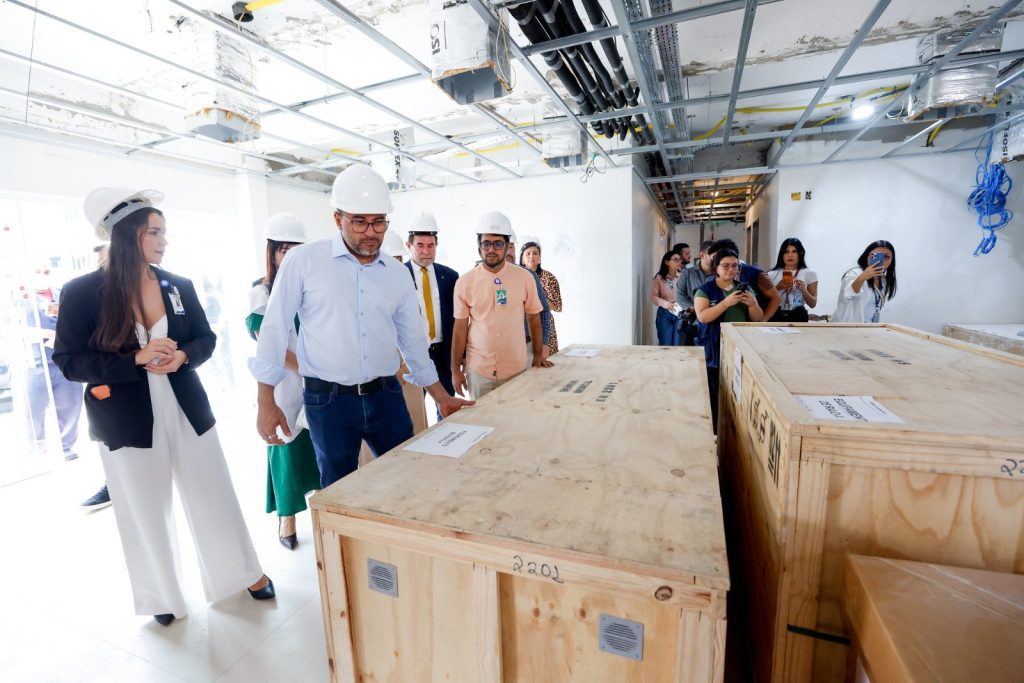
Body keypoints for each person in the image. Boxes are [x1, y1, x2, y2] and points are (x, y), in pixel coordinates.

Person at [54, 187, 274, 627]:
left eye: (164, 232)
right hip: (125, 418)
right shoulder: (82, 292)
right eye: (155, 232)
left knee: (213, 492)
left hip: (186, 407)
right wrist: (134, 359)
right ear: (127, 235)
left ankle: (243, 573)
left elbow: (206, 338)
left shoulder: (178, 284)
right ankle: (161, 593)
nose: (164, 241)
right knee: (143, 507)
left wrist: (184, 356)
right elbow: (69, 361)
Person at [251, 165, 472, 489]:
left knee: (405, 481)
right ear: (337, 218)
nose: (370, 232)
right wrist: (265, 400)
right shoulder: (305, 262)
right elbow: (273, 330)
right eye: (359, 222)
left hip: (386, 397)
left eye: (378, 222)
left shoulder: (395, 273)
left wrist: (441, 396)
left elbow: (412, 342)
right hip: (328, 402)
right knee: (340, 489)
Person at [246, 212, 321, 550]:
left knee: (320, 447)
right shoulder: (261, 292)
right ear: (272, 252)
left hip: (318, 381)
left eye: (296, 249)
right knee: (287, 449)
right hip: (285, 384)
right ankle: (287, 517)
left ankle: (322, 512)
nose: (290, 256)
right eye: (283, 249)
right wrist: (307, 366)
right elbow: (269, 342)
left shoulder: (313, 287)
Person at [451, 211, 551, 401]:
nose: (491, 249)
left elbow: (534, 317)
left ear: (507, 246)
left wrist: (538, 355)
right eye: (486, 243)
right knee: (481, 419)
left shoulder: (525, 278)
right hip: (479, 371)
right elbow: (460, 328)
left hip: (516, 369)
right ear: (479, 246)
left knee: (516, 418)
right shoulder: (465, 282)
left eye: (498, 244)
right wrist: (455, 369)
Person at [694, 248, 764, 429]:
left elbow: (758, 318)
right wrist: (725, 303)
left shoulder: (745, 288)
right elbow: (703, 317)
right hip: (714, 347)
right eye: (726, 266)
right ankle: (715, 431)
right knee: (715, 393)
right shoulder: (705, 290)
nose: (731, 269)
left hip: (741, 346)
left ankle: (734, 430)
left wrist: (752, 304)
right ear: (716, 267)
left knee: (738, 391)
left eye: (735, 265)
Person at [24, 267, 84, 461]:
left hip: (65, 362)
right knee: (33, 410)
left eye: (46, 271)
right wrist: (43, 334)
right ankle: (37, 450)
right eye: (37, 271)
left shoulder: (63, 294)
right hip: (35, 363)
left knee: (70, 406)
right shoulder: (19, 298)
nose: (42, 275)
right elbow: (11, 327)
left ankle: (66, 447)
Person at [404, 212, 460, 410]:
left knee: (447, 407)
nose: (426, 251)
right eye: (420, 245)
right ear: (409, 246)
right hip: (413, 355)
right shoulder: (399, 276)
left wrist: (458, 357)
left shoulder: (450, 276)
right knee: (414, 410)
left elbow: (457, 319)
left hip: (443, 355)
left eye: (431, 246)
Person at [505, 228, 552, 362]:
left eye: (511, 247)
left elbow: (544, 310)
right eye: (503, 246)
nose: (508, 252)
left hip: (526, 345)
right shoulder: (481, 277)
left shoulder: (528, 275)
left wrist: (544, 343)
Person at [707, 238, 781, 321]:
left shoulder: (755, 274)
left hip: (751, 323)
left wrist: (762, 321)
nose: (713, 262)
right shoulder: (715, 275)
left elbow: (776, 298)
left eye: (716, 257)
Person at [833, 240, 897, 323]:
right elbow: (848, 292)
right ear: (867, 256)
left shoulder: (883, 281)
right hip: (846, 327)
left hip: (868, 327)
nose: (881, 260)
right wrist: (862, 277)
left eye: (886, 256)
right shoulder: (855, 273)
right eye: (875, 255)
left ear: (892, 260)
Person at [519, 241, 563, 355]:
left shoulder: (548, 277)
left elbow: (557, 305)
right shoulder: (516, 277)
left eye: (535, 253)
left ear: (540, 258)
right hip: (521, 327)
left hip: (544, 325)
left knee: (546, 360)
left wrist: (534, 303)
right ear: (522, 259)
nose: (531, 256)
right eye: (528, 253)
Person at [766, 238, 818, 323]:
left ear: (801, 253)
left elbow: (813, 304)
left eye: (794, 251)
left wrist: (804, 291)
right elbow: (763, 299)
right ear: (782, 254)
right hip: (775, 313)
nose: (790, 255)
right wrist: (778, 287)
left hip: (798, 314)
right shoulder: (771, 274)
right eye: (786, 252)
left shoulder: (810, 273)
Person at [676, 240, 715, 346]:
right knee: (686, 354)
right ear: (702, 255)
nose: (715, 258)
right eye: (712, 255)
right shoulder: (688, 273)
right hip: (691, 323)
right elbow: (680, 296)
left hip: (712, 325)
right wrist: (697, 309)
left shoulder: (719, 275)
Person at [652, 250, 683, 346]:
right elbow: (654, 297)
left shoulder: (682, 277)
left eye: (679, 260)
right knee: (666, 345)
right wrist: (665, 304)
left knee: (677, 344)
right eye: (675, 260)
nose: (679, 262)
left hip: (679, 313)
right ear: (667, 262)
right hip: (665, 313)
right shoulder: (659, 278)